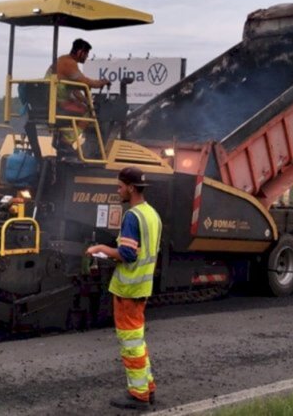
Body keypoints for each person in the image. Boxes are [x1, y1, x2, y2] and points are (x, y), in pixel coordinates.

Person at [85, 167, 162, 411]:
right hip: (142, 286)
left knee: (130, 342)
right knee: (137, 340)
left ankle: (138, 395)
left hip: (128, 289)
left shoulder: (132, 216)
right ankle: (147, 388)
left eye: (120, 186)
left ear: (130, 187)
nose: (118, 191)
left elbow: (128, 254)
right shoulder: (152, 214)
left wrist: (102, 249)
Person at [48, 38, 111, 115]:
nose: (87, 56)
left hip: (52, 99)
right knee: (87, 112)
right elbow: (86, 82)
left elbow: (74, 89)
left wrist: (86, 101)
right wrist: (102, 82)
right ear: (79, 52)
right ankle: (80, 127)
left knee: (83, 105)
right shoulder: (69, 63)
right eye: (86, 53)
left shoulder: (62, 59)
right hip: (57, 102)